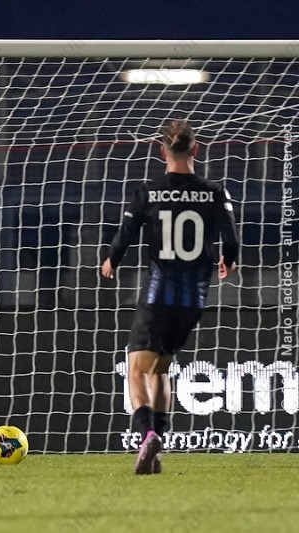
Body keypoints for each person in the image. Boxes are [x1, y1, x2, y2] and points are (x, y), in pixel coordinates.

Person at [101, 119, 240, 475]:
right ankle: (158, 447)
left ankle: (146, 435)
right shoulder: (215, 192)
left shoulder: (149, 192)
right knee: (162, 368)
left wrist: (112, 260)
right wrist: (228, 260)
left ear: (162, 151)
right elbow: (232, 239)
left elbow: (126, 233)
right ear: (196, 149)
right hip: (194, 298)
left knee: (136, 369)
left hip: (159, 293)